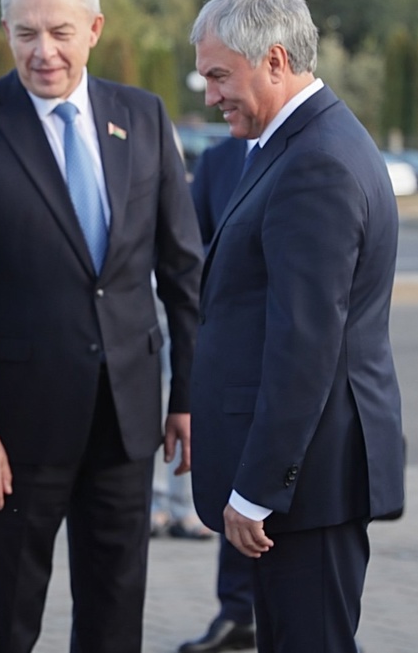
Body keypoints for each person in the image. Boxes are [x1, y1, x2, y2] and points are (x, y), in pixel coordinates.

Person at [0, 0, 202, 653]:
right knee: (5, 619)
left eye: (59, 31)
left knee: (115, 614)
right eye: (25, 33)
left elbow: (182, 270)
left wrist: (188, 395)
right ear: (6, 33)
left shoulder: (143, 116)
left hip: (126, 418)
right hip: (12, 431)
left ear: (95, 28)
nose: (42, 50)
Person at [188, 0, 405, 653]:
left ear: (275, 60)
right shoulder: (300, 143)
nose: (210, 93)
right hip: (306, 482)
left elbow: (304, 346)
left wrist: (257, 489)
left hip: (306, 485)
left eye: (220, 74)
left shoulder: (316, 163)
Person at [178, 137, 256, 653]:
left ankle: (316, 627)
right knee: (237, 486)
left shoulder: (313, 146)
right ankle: (238, 612)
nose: (213, 95)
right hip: (230, 358)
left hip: (295, 360)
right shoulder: (219, 160)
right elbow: (190, 255)